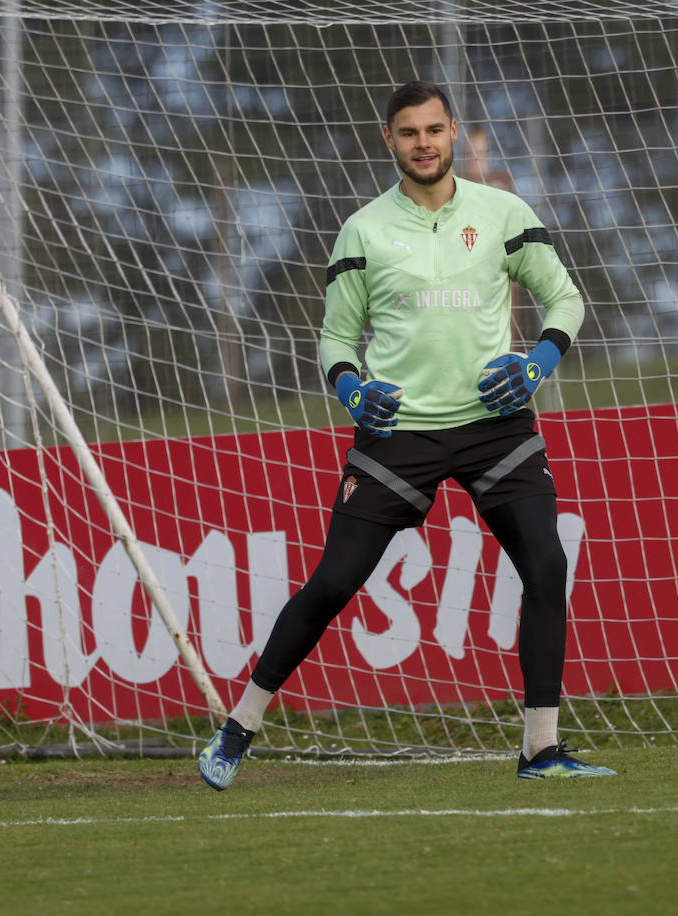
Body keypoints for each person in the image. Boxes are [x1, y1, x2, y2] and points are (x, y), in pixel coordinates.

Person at [198, 80, 615, 789]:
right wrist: (353, 389)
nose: (423, 142)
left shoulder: (504, 212)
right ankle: (239, 728)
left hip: (497, 428)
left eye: (434, 129)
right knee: (333, 582)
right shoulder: (362, 229)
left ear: (455, 133)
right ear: (387, 141)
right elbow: (334, 338)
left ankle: (541, 751)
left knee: (546, 568)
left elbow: (566, 297)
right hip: (400, 437)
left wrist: (539, 361)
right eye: (408, 132)